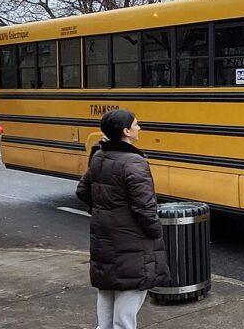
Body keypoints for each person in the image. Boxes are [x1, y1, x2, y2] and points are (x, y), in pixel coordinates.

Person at [76, 109, 170, 329]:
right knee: (127, 308)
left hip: (104, 240)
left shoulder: (99, 157)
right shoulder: (134, 162)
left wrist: (104, 211)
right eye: (136, 124)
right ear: (126, 131)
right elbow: (145, 208)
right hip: (131, 243)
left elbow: (82, 191)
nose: (139, 128)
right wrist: (155, 232)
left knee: (107, 298)